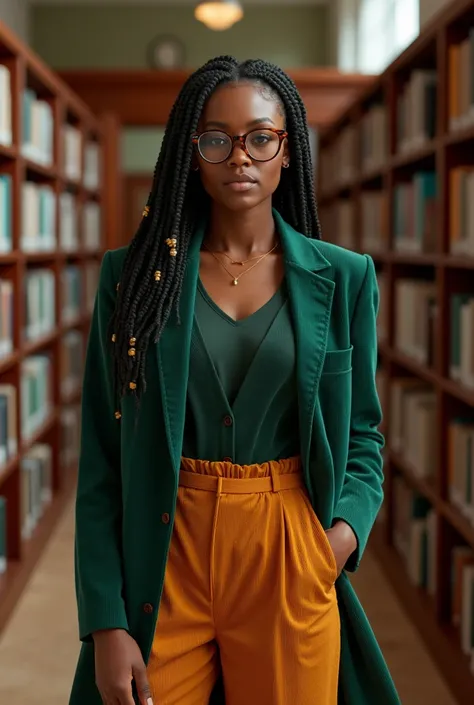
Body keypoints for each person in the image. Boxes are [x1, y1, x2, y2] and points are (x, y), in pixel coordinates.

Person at [69, 56, 401, 705]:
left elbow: (364, 437)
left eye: (259, 137)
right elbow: (102, 460)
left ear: (287, 150)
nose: (239, 156)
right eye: (216, 138)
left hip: (290, 548)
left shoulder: (346, 277)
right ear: (191, 152)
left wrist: (337, 541)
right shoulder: (131, 279)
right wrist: (106, 618)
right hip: (167, 548)